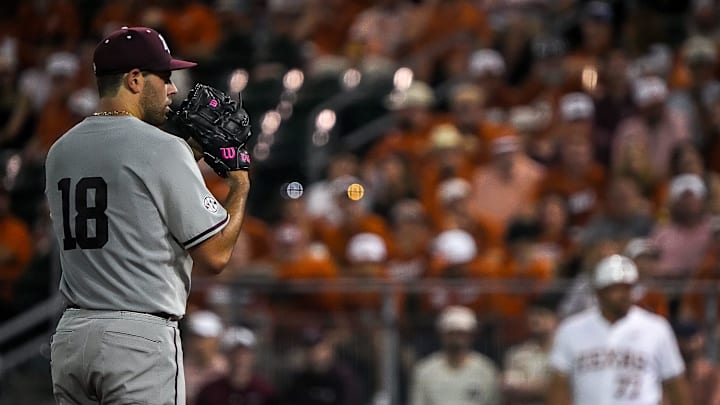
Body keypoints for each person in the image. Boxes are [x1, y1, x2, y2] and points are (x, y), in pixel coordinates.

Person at [45, 26, 251, 405]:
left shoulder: (60, 150)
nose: (173, 89)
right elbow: (216, 256)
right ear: (135, 79)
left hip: (72, 337)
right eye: (166, 77)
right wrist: (240, 186)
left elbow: (130, 193)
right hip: (137, 339)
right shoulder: (162, 149)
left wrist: (189, 156)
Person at [547, 254, 691, 405]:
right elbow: (559, 386)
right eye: (616, 289)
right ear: (599, 292)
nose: (624, 295)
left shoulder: (656, 328)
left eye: (628, 288)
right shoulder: (571, 330)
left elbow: (675, 382)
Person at [409, 306, 501, 405]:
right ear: (441, 334)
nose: (456, 338)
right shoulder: (424, 370)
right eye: (451, 333)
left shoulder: (487, 369)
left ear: (472, 335)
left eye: (461, 333)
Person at [195, 326, 278, 405]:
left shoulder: (265, 392)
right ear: (226, 356)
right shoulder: (210, 393)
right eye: (234, 353)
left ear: (253, 356)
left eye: (244, 353)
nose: (239, 359)